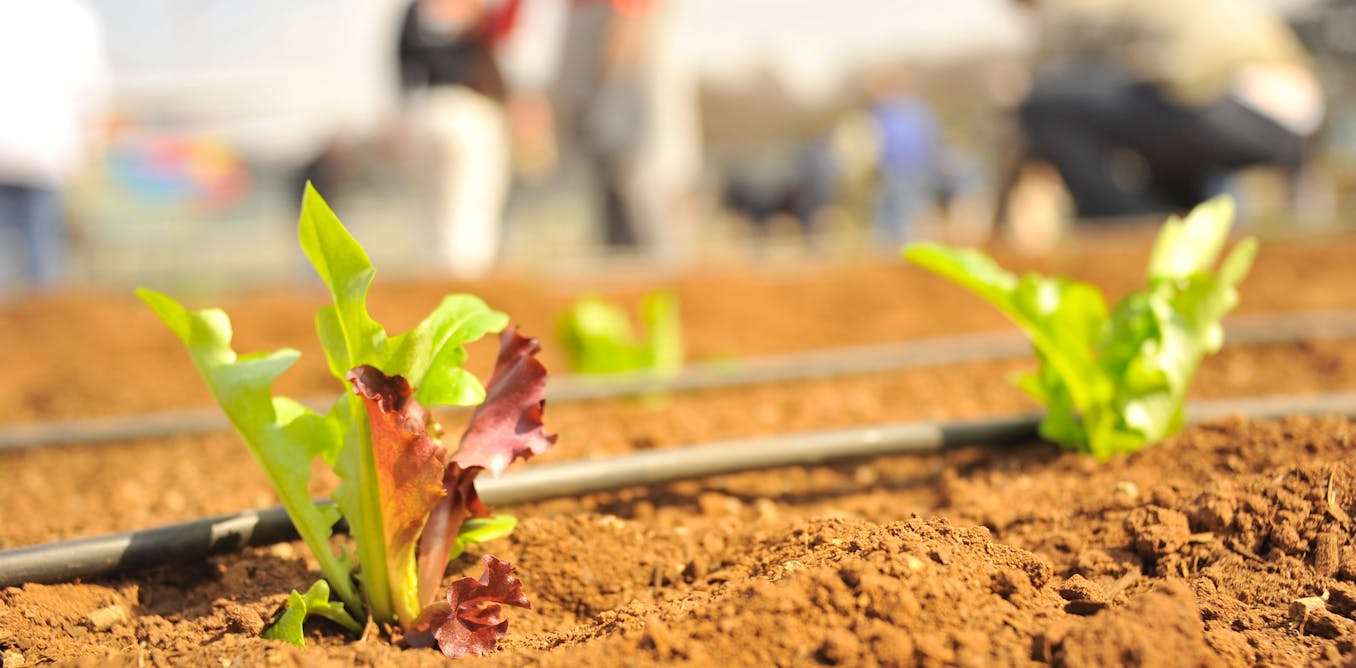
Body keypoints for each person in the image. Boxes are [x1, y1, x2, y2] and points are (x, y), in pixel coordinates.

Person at [1014, 0, 1324, 219]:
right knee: (1134, 105)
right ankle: (1178, 215)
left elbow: (1036, 94)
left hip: (1236, 107)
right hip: (1293, 119)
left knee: (1045, 104)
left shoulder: (1067, 9)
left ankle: (1130, 225)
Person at [397, 0, 519, 277]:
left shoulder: (414, 11)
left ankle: (437, 279)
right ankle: (467, 281)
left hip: (426, 111)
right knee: (473, 204)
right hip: (472, 112)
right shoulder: (480, 10)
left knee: (434, 210)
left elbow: (402, 67)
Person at [0, 0, 109, 289]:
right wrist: (90, 145)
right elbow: (91, 89)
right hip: (47, 150)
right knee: (43, 254)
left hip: (35, 148)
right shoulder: (76, 16)